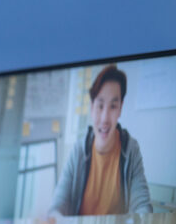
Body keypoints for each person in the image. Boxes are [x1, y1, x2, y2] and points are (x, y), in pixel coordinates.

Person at [49, 64, 151, 216]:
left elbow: (143, 205)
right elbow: (58, 203)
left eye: (113, 106)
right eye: (100, 106)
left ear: (120, 108)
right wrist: (55, 221)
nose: (104, 118)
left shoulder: (131, 149)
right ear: (91, 107)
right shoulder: (79, 150)